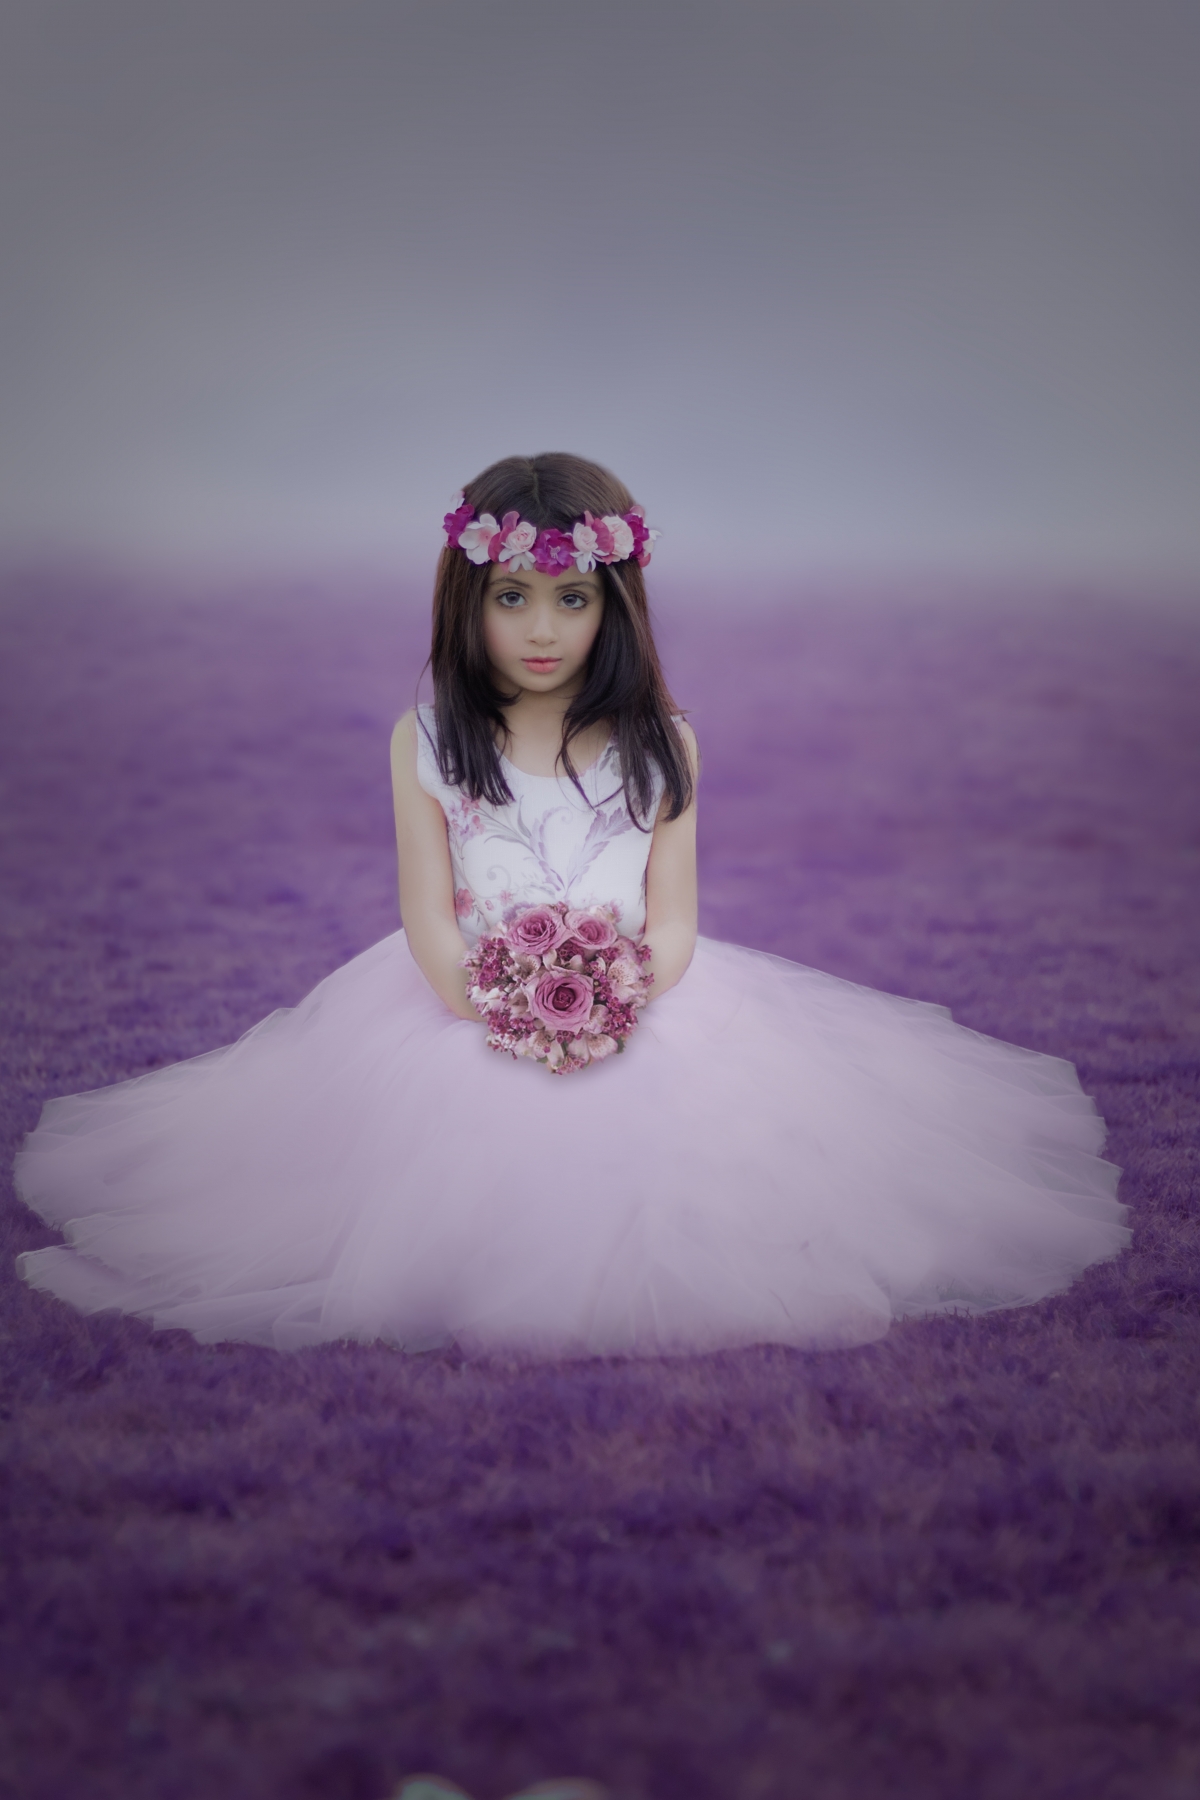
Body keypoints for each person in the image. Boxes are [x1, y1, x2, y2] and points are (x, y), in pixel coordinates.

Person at [15, 453, 1129, 1356]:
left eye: (572, 598)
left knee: (718, 1192)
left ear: (616, 603)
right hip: (465, 1008)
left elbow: (677, 912)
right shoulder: (430, 740)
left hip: (642, 1002)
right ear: (469, 599)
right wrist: (497, 1007)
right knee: (437, 1187)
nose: (541, 630)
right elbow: (425, 913)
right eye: (512, 598)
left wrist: (618, 999)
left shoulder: (664, 744)